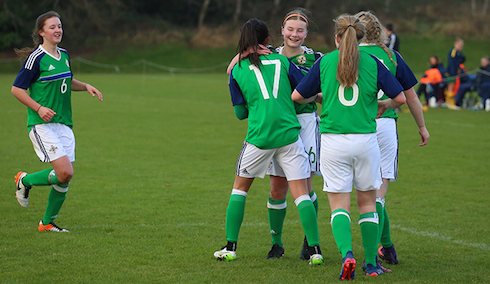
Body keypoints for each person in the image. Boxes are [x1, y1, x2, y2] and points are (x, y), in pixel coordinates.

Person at [292, 14, 406, 279]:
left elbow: (298, 95)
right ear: (361, 37)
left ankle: (347, 255)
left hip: (333, 142)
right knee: (367, 204)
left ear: (336, 38)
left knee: (339, 206)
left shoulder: (325, 61)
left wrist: (325, 97)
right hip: (366, 141)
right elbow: (399, 97)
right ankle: (371, 264)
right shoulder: (374, 62)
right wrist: (384, 105)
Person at [214, 18, 323, 265]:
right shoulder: (282, 61)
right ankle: (315, 251)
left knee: (239, 189)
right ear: (267, 40)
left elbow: (240, 113)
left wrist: (259, 107)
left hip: (260, 137)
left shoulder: (238, 69)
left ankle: (231, 247)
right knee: (301, 194)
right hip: (289, 134)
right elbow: (302, 91)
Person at [11, 11, 103, 232]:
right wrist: (39, 108)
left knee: (65, 177)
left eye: (59, 26)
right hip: (41, 124)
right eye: (52, 27)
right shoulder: (36, 58)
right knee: (65, 173)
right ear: (41, 32)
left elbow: (67, 81)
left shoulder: (64, 54)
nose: (57, 30)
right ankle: (25, 181)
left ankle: (47, 223)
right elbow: (16, 89)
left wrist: (86, 86)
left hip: (63, 123)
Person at [355, 11, 430, 270]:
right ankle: (383, 249)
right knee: (378, 195)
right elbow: (411, 97)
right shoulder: (391, 56)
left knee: (364, 196)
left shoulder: (348, 55)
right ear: (379, 32)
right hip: (385, 125)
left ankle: (381, 249)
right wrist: (422, 127)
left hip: (356, 126)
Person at [445, 38, 465, 106]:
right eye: (459, 45)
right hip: (452, 72)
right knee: (451, 86)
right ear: (455, 44)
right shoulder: (454, 52)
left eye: (461, 46)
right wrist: (453, 72)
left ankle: (449, 102)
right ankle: (450, 103)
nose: (460, 47)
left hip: (454, 72)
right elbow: (452, 63)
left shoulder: (458, 52)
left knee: (452, 86)